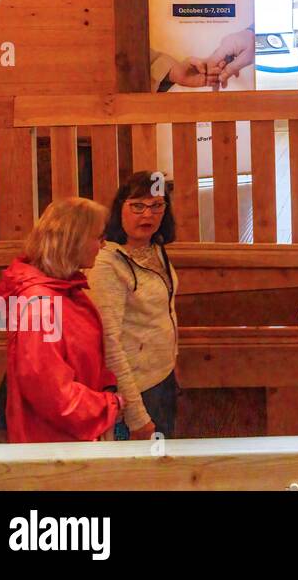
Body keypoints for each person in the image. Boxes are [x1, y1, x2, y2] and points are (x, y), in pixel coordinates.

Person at [0, 198, 124, 443]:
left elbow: (86, 362)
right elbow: (52, 394)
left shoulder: (67, 290)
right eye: (98, 237)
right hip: (54, 448)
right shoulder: (41, 303)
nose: (103, 245)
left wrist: (106, 389)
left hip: (70, 440)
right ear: (73, 240)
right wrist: (107, 406)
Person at [89, 172, 181, 440]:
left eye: (156, 206)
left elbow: (166, 311)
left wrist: (173, 363)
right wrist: (136, 416)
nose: (147, 215)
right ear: (120, 208)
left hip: (163, 377)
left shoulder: (156, 248)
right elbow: (109, 343)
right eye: (137, 206)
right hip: (133, 389)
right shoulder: (106, 263)